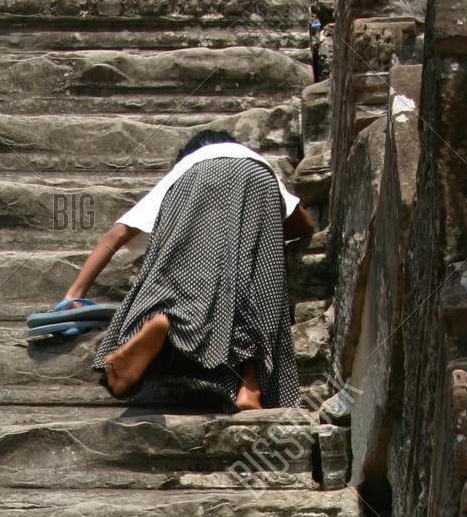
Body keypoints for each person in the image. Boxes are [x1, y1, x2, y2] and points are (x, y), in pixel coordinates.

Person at [58, 130, 315, 410]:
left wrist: (75, 292)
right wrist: (254, 230)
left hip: (193, 185)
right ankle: (249, 387)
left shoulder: (187, 167)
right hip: (257, 178)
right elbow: (305, 224)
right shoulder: (251, 159)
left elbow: (115, 235)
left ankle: (152, 331)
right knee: (256, 287)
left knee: (167, 289)